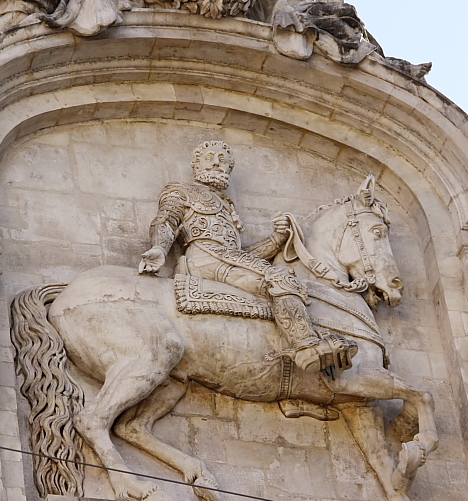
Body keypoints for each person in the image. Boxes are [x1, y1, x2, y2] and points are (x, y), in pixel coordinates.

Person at [139, 140, 355, 373]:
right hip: (203, 258)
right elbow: (166, 220)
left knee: (279, 276)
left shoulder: (226, 205)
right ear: (196, 164)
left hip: (223, 259)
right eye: (209, 157)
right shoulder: (181, 191)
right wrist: (159, 248)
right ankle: (306, 346)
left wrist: (279, 238)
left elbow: (241, 257)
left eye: (222, 160)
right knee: (280, 278)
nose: (215, 163)